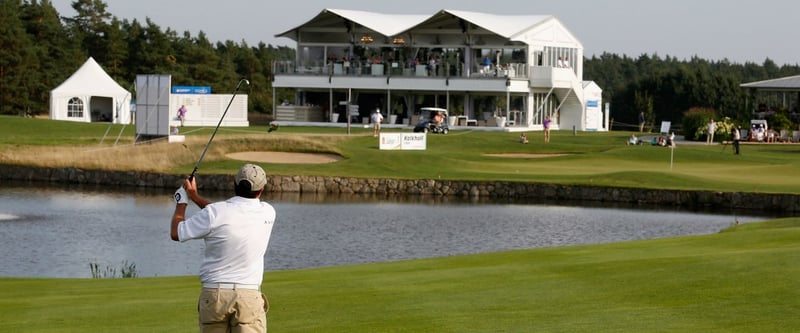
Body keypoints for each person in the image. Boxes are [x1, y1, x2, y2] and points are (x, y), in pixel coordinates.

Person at [171, 164, 276, 333]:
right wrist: (195, 197)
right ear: (261, 190)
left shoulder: (215, 213)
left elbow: (177, 232)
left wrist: (182, 202)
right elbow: (225, 214)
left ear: (234, 185)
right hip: (249, 297)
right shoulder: (269, 212)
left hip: (214, 297)